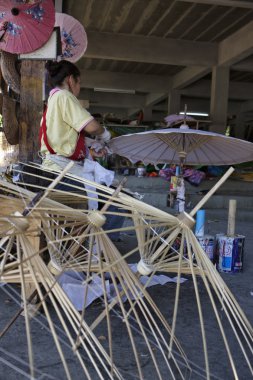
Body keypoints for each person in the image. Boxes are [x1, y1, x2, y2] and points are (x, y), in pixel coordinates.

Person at [39, 60, 125, 241]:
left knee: (110, 196)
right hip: (62, 172)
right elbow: (92, 126)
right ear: (71, 80)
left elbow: (65, 137)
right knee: (117, 202)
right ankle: (99, 248)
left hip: (55, 168)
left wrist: (91, 148)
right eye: (79, 83)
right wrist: (105, 136)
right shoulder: (64, 96)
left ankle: (93, 246)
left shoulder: (52, 100)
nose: (79, 88)